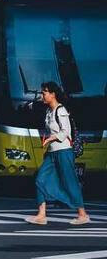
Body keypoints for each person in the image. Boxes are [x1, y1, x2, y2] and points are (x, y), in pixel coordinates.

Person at [27, 82, 91, 226]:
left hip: (63, 151)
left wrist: (49, 138)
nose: (42, 95)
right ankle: (41, 214)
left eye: (44, 93)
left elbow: (65, 132)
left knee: (70, 182)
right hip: (52, 152)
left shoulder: (60, 110)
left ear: (53, 94)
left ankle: (82, 214)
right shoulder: (49, 111)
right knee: (40, 179)